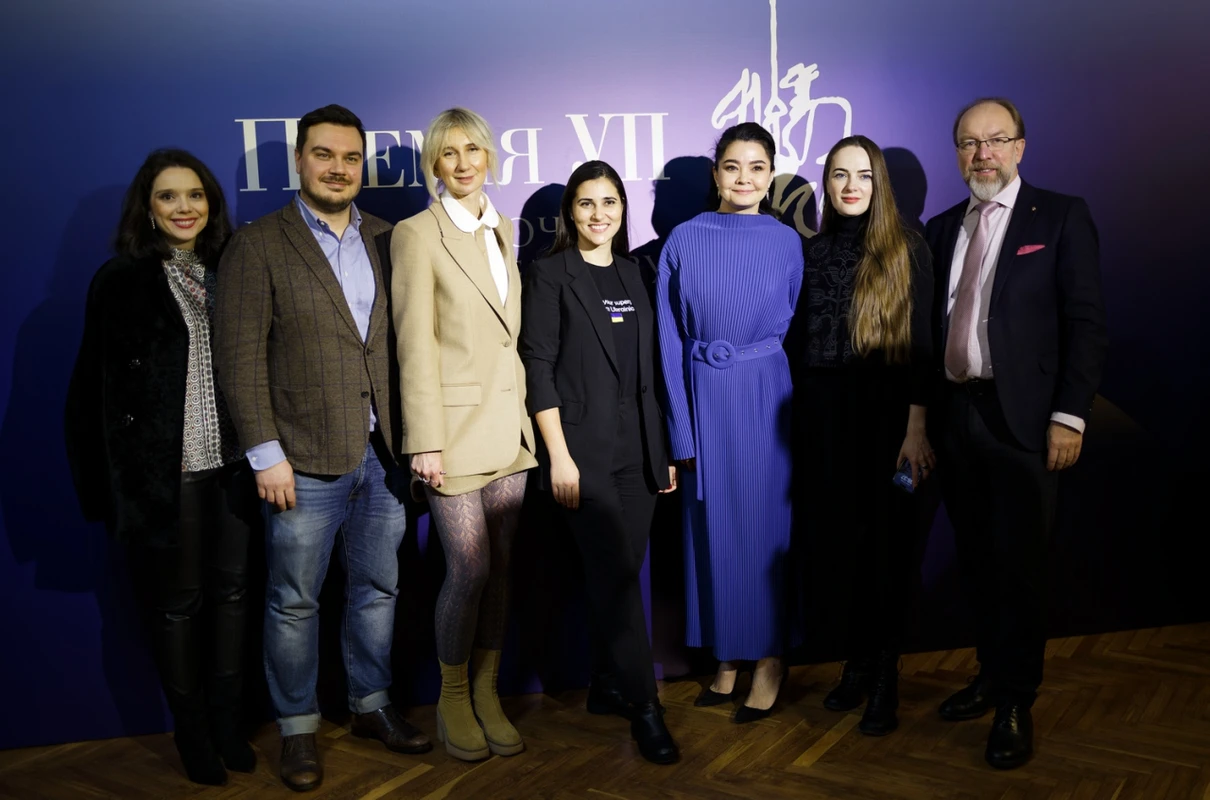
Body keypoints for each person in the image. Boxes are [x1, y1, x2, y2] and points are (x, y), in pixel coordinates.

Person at [214, 104, 429, 793]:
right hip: (300, 459)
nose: (339, 169)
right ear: (299, 161)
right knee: (294, 600)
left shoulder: (389, 238)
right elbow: (240, 361)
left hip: (384, 454)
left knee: (378, 588)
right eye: (324, 155)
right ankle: (298, 725)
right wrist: (264, 453)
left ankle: (371, 703)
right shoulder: (258, 245)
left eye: (350, 158)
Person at [924, 98, 1108, 769]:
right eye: (970, 143)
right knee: (975, 561)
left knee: (1021, 567)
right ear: (957, 154)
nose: (983, 155)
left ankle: (1015, 702)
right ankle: (990, 674)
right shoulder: (941, 228)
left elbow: (1085, 322)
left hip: (1026, 423)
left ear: (1020, 148)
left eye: (996, 140)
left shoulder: (1059, 216)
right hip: (956, 417)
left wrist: (1069, 415)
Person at [65, 149, 257, 786]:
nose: (184, 208)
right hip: (168, 475)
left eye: (195, 195)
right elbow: (90, 390)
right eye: (169, 196)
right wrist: (106, 489)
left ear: (211, 204)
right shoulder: (120, 281)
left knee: (234, 595)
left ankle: (229, 723)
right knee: (180, 604)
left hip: (236, 465)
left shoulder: (233, 269)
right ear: (147, 209)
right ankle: (192, 732)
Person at [519, 160, 680, 764]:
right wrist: (558, 457)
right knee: (615, 578)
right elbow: (537, 367)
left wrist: (661, 451)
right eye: (586, 203)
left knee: (618, 578)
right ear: (570, 211)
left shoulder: (637, 271)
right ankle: (646, 707)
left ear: (622, 209)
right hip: (582, 455)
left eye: (609, 202)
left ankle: (606, 685)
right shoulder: (549, 274)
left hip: (639, 453)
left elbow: (651, 372)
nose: (599, 214)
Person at [391, 107, 537, 762]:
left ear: (488, 157)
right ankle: (452, 697)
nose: (463, 163)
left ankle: (486, 690)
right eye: (448, 153)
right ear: (434, 163)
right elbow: (413, 344)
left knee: (500, 567)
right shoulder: (416, 235)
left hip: (509, 429)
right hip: (450, 434)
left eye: (472, 149)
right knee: (469, 566)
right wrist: (424, 440)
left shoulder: (503, 227)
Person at [656, 122, 804, 723]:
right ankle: (727, 657)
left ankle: (768, 660)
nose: (744, 178)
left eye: (757, 167)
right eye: (733, 166)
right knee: (710, 532)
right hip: (703, 395)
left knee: (765, 534)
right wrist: (681, 430)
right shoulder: (683, 239)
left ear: (770, 176)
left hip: (766, 396)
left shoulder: (787, 242)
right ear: (716, 173)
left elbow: (792, 321)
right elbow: (668, 342)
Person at [788, 135, 934, 736]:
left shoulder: (908, 249)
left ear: (880, 185)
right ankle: (856, 663)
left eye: (864, 175)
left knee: (888, 552)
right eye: (840, 174)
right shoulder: (809, 251)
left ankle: (884, 678)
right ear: (825, 184)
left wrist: (916, 429)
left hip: (889, 425)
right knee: (841, 552)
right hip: (823, 425)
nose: (851, 186)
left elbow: (922, 347)